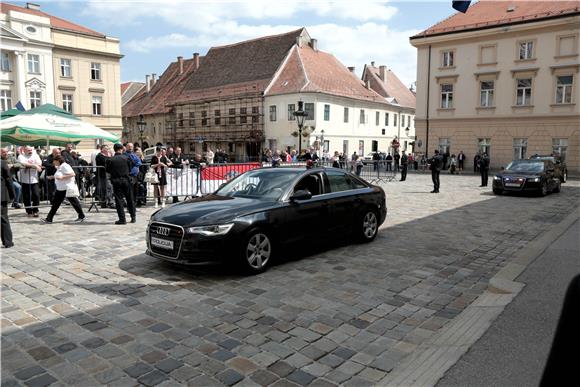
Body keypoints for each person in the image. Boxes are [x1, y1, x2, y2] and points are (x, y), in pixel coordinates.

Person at [40, 155, 85, 224]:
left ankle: (81, 216)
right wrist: (52, 177)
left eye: (54, 161)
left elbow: (72, 174)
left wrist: (62, 177)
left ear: (58, 161)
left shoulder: (64, 166)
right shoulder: (60, 167)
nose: (53, 163)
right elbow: (59, 175)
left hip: (66, 187)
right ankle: (49, 218)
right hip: (61, 188)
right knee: (56, 204)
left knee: (74, 202)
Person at [106, 143, 136, 225]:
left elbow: (108, 170)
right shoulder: (127, 158)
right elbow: (131, 167)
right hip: (126, 180)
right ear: (121, 149)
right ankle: (133, 217)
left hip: (116, 180)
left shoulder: (110, 159)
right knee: (130, 198)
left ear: (115, 149)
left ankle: (122, 219)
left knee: (119, 200)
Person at [17, 146, 42, 217]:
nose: (30, 151)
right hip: (24, 179)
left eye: (31, 150)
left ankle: (35, 210)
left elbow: (39, 163)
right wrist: (35, 166)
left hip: (34, 179)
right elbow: (23, 164)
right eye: (28, 150)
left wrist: (30, 166)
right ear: (24, 150)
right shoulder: (21, 156)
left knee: (36, 195)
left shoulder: (35, 155)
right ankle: (29, 211)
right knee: (26, 196)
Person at [1, 148, 15, 248]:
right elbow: (8, 179)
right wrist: (12, 194)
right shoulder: (2, 163)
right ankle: (8, 241)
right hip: (1, 195)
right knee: (3, 218)